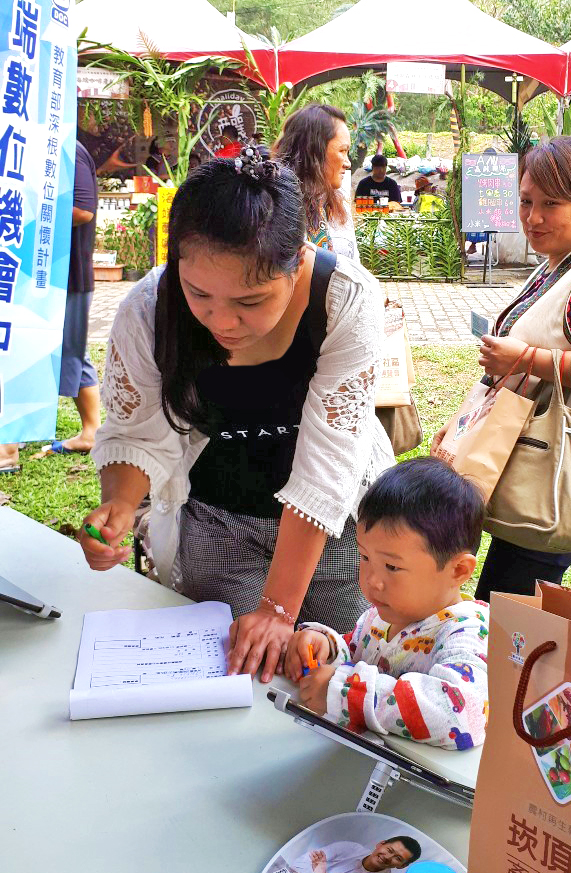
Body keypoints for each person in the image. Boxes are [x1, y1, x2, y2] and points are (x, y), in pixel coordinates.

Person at [79, 148, 394, 683]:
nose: (221, 320)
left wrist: (278, 607)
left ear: (297, 262)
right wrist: (120, 504)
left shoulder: (344, 301)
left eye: (250, 300)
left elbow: (328, 466)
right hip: (218, 521)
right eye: (199, 293)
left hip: (338, 523)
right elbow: (136, 432)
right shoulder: (149, 309)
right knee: (236, 671)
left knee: (345, 669)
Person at [431, 137, 571, 600]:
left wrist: (524, 359)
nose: (533, 218)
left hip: (561, 483)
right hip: (531, 468)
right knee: (498, 601)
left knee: (504, 610)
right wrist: (462, 425)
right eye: (526, 201)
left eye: (551, 204)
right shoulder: (558, 264)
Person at [284, 457, 489, 750]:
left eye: (392, 567)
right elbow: (357, 657)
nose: (372, 580)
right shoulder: (381, 616)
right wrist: (327, 647)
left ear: (458, 571)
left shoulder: (468, 633)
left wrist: (345, 691)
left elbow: (459, 713)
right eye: (365, 558)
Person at [45, 141, 102, 455]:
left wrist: (31, 212)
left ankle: (91, 431)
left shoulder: (69, 149)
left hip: (68, 272)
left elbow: (83, 210)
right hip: (37, 273)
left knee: (73, 350)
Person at [272, 104, 358, 260]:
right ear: (314, 151)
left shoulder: (338, 204)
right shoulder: (274, 208)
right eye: (342, 151)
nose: (347, 163)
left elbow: (354, 265)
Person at [290, 837, 421, 873]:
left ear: (402, 866)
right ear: (380, 844)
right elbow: (298, 865)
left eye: (397, 858)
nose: (387, 857)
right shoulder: (348, 848)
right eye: (389, 850)